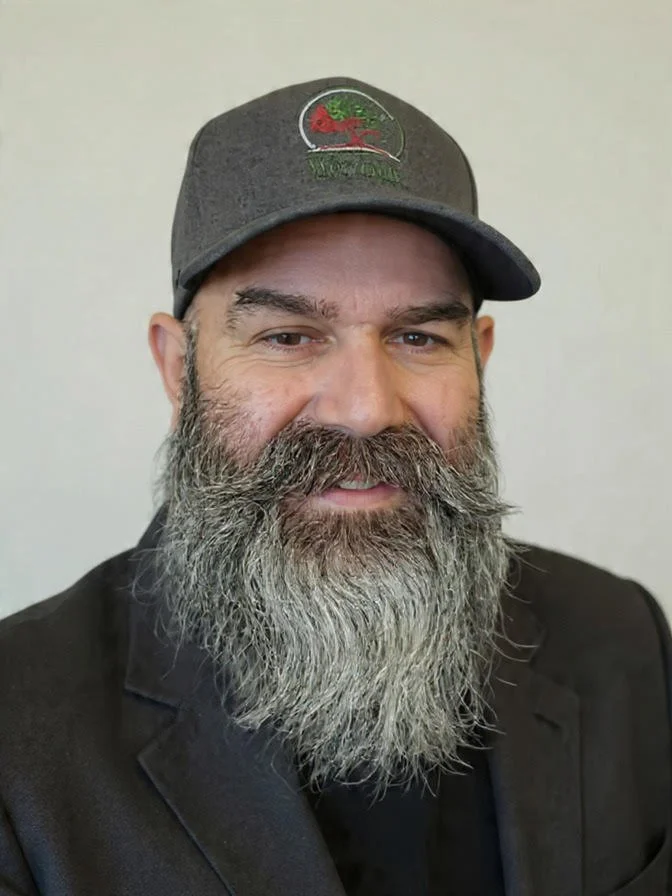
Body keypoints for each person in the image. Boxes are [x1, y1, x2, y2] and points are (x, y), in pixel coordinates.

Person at [0, 76, 669, 896]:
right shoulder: (18, 731)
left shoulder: (622, 640)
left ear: (479, 358)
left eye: (419, 336)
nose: (364, 409)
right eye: (288, 335)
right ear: (179, 367)